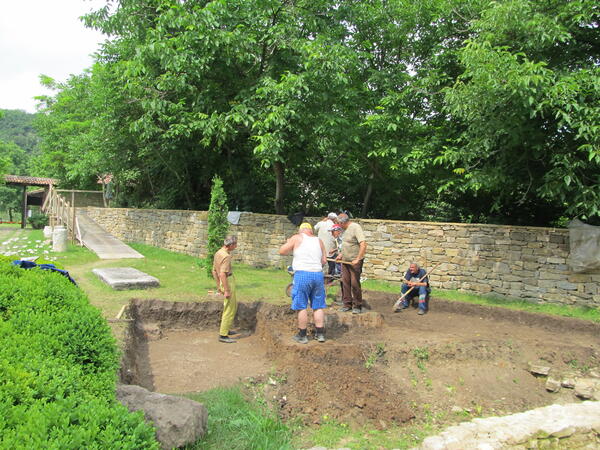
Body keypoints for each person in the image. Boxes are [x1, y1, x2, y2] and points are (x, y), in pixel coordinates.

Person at [279, 222, 327, 343]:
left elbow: (282, 251)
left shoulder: (297, 237)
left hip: (302, 274)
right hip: (318, 274)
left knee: (301, 305)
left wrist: (289, 241)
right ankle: (320, 334)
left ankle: (302, 335)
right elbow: (324, 260)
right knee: (318, 305)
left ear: (301, 230)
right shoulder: (319, 241)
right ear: (311, 231)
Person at [336, 213, 367, 314]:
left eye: (338, 223)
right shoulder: (344, 230)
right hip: (345, 260)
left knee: (354, 283)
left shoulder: (355, 227)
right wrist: (341, 254)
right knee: (345, 282)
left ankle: (357, 305)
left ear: (342, 222)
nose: (338, 225)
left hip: (354, 262)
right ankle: (347, 304)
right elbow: (346, 244)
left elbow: (363, 244)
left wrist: (358, 259)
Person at [212, 236, 239, 343]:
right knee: (230, 308)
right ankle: (223, 335)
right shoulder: (226, 256)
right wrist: (227, 290)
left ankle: (226, 329)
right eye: (235, 244)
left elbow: (214, 271)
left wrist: (219, 286)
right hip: (228, 281)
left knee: (227, 306)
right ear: (231, 245)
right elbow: (222, 274)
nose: (236, 246)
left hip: (223, 283)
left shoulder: (218, 253)